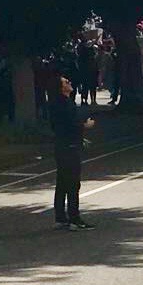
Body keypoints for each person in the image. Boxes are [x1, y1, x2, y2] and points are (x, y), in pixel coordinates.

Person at [49, 74, 95, 229]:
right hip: (69, 147)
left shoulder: (57, 103)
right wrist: (85, 126)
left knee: (62, 182)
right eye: (66, 82)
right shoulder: (65, 104)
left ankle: (60, 217)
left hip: (62, 145)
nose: (69, 83)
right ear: (61, 88)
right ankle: (74, 218)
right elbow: (71, 124)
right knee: (73, 183)